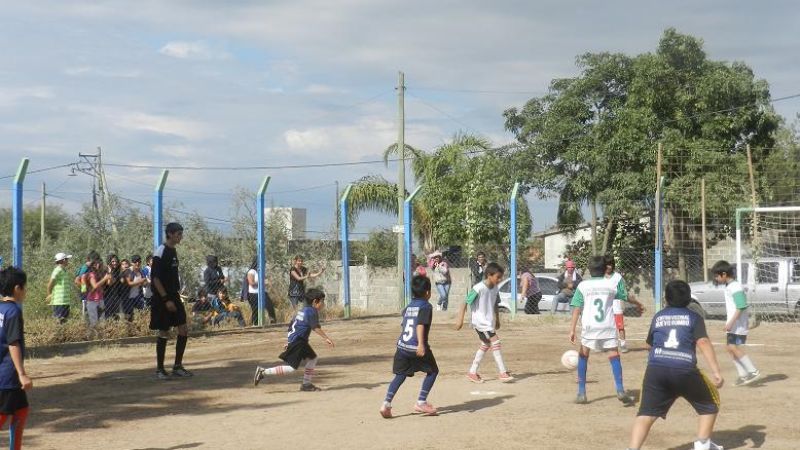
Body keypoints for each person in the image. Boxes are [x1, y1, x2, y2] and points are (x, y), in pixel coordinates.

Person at [627, 280, 724, 450]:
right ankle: (702, 445)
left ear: (666, 298)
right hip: (684, 369)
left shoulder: (658, 316)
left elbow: (650, 343)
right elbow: (703, 341)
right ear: (688, 299)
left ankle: (632, 449)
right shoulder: (694, 317)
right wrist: (716, 371)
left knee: (646, 413)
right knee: (710, 403)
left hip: (656, 369)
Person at [568, 255, 634, 405]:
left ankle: (581, 393)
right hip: (607, 326)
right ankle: (620, 389)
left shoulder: (583, 286)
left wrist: (572, 330)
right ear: (606, 269)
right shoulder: (611, 285)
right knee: (614, 355)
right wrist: (637, 303)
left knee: (583, 355)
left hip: (590, 327)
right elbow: (625, 296)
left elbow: (577, 308)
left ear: (589, 271)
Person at [380, 275, 439, 418]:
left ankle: (386, 404)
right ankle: (421, 401)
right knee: (433, 371)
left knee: (400, 375)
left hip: (402, 346)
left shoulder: (409, 305)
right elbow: (419, 324)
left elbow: (404, 319)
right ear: (427, 293)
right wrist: (420, 344)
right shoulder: (426, 306)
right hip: (415, 347)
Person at [253, 288, 334, 391]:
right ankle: (263, 372)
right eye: (322, 301)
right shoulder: (312, 311)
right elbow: (315, 327)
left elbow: (292, 326)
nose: (323, 304)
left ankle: (306, 384)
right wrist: (326, 338)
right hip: (299, 341)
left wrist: (290, 340)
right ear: (315, 302)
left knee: (312, 359)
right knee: (292, 368)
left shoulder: (302, 311)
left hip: (298, 340)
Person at [455, 262, 513, 383]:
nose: (500, 279)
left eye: (501, 277)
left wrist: (497, 319)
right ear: (489, 275)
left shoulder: (495, 288)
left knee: (486, 344)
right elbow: (465, 302)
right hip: (480, 322)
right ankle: (503, 372)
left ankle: (472, 372)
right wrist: (460, 320)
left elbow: (495, 304)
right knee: (495, 341)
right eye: (498, 277)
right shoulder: (478, 288)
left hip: (488, 322)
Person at [150, 222, 192, 380]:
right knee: (164, 331)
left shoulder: (173, 250)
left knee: (183, 329)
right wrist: (166, 299)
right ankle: (160, 369)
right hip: (162, 298)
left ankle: (177, 366)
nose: (181, 237)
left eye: (181, 234)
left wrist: (175, 295)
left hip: (174, 295)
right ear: (170, 234)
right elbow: (155, 278)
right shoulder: (161, 252)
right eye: (178, 234)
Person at [711, 260, 760, 386]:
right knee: (729, 348)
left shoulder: (735, 286)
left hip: (737, 324)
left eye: (717, 276)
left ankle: (753, 371)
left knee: (733, 347)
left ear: (724, 274)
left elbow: (741, 306)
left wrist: (731, 323)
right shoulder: (730, 286)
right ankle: (743, 375)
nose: (715, 279)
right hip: (734, 324)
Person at [0, 267, 33, 450]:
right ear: (17, 288)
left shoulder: (1, 309)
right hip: (8, 374)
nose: (25, 291)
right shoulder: (13, 311)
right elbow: (13, 343)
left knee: (21, 410)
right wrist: (21, 373)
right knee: (3, 414)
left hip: (4, 372)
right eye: (24, 287)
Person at [604, 255, 645, 352]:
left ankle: (623, 345)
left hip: (616, 306)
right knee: (605, 326)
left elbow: (624, 294)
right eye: (606, 264)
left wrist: (637, 303)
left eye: (610, 264)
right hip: (605, 307)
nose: (608, 266)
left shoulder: (618, 277)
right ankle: (604, 344)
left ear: (613, 265)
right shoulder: (600, 277)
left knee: (620, 327)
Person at [246, 258, 276, 325]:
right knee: (255, 309)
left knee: (270, 306)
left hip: (262, 292)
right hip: (254, 293)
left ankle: (273, 321)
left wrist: (267, 283)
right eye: (263, 263)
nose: (264, 264)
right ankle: (255, 324)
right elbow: (251, 283)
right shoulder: (252, 271)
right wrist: (262, 282)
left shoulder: (261, 271)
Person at [47, 253, 73, 324]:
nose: (68, 261)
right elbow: (50, 283)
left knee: (64, 322)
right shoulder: (57, 270)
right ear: (64, 260)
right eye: (67, 259)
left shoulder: (64, 271)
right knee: (59, 322)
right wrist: (49, 294)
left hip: (65, 301)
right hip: (59, 302)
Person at [86, 257, 110, 327]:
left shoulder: (98, 274)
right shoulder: (91, 274)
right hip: (92, 301)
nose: (100, 265)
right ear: (93, 265)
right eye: (98, 263)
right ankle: (94, 336)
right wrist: (105, 278)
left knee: (102, 321)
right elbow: (95, 286)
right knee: (94, 322)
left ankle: (101, 336)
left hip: (100, 299)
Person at [123, 255, 147, 321]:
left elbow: (144, 284)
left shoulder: (141, 271)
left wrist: (145, 282)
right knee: (129, 317)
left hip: (139, 297)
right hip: (128, 298)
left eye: (139, 261)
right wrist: (141, 281)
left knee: (141, 315)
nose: (137, 263)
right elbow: (129, 283)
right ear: (131, 263)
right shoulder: (128, 271)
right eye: (135, 262)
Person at [74, 251, 98, 318]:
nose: (94, 262)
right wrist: (86, 288)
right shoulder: (85, 267)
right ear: (88, 259)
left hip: (89, 294)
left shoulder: (90, 268)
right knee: (85, 311)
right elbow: (77, 280)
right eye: (93, 260)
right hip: (85, 294)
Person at [103, 254, 126, 320]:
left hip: (117, 296)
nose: (115, 263)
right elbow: (109, 283)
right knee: (108, 317)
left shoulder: (117, 271)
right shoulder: (106, 271)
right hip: (107, 296)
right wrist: (109, 272)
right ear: (109, 262)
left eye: (116, 261)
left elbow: (121, 281)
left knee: (116, 316)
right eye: (112, 261)